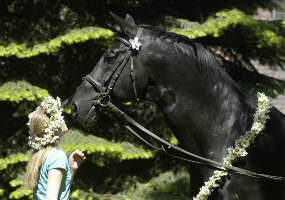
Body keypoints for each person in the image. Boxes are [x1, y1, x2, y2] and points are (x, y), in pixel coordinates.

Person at [24, 96, 86, 200]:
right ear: (54, 126)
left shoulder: (41, 154)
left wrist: (71, 169)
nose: (62, 118)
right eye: (59, 116)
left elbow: (59, 190)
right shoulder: (57, 156)